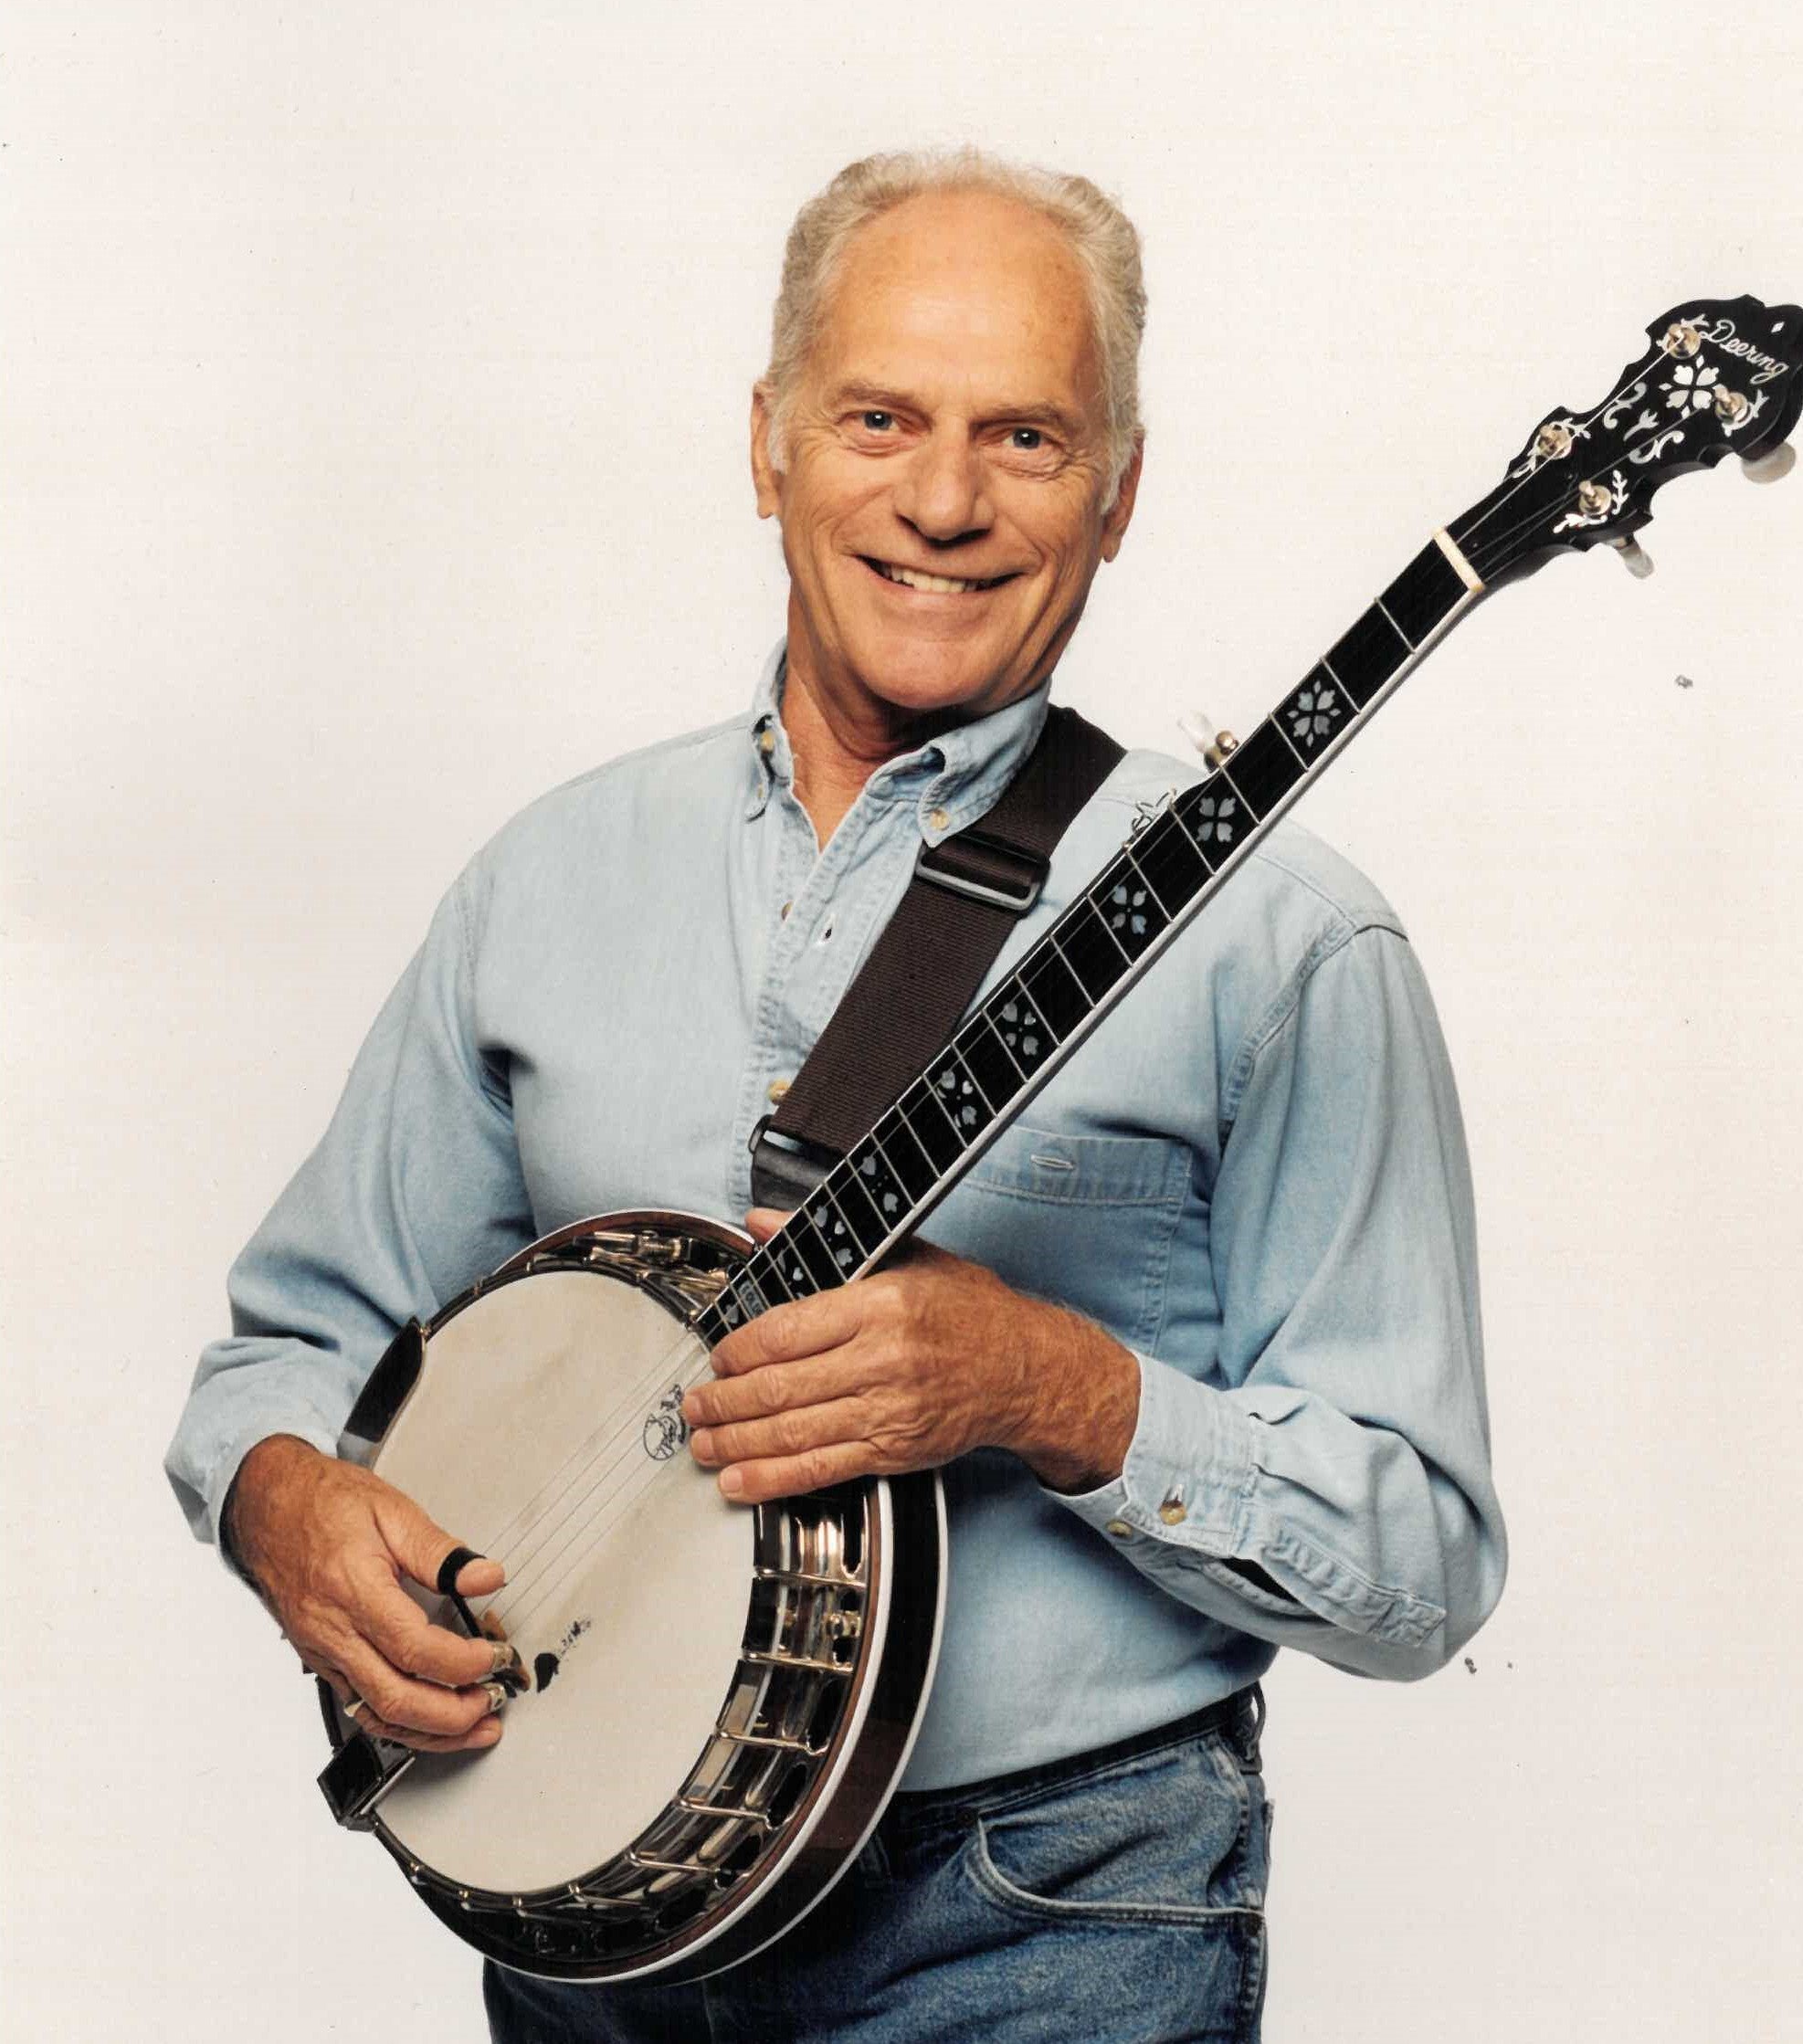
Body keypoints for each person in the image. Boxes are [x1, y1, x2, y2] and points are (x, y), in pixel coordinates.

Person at [167, 147, 1505, 2043]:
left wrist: (1056, 1390)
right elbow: (284, 1350)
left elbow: (1421, 1559)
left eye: (1025, 438)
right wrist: (289, 1503)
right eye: (879, 418)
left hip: (1047, 1918)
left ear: (1117, 495)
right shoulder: (549, 884)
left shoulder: (1279, 944)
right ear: (767, 442)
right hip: (591, 1940)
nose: (943, 501)